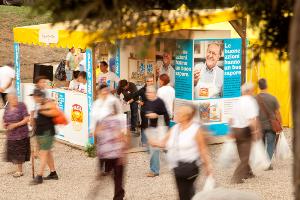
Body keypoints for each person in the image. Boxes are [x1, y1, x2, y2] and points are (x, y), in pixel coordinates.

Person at [149, 104, 213, 200]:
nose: (176, 114)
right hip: (177, 167)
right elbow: (164, 143)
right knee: (185, 192)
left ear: (186, 116)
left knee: (184, 193)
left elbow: (203, 149)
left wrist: (208, 167)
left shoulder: (195, 130)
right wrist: (154, 142)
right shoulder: (175, 128)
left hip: (190, 167)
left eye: (179, 113)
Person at [93, 97, 128, 200]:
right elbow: (96, 134)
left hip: (115, 153)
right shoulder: (102, 121)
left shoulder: (120, 120)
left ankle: (119, 196)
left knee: (117, 177)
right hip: (107, 153)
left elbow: (125, 136)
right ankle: (119, 193)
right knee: (116, 176)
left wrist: (124, 152)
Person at [230, 83, 261, 184]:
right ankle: (236, 178)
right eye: (252, 90)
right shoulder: (250, 101)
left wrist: (230, 131)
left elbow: (231, 118)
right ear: (249, 91)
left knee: (241, 152)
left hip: (235, 129)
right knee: (245, 156)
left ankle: (248, 172)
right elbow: (252, 119)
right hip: (245, 130)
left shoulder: (237, 101)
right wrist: (255, 131)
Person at [30, 89, 58, 185]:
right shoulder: (38, 105)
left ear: (39, 96)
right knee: (48, 152)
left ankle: (39, 176)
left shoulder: (49, 103)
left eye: (35, 97)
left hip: (48, 132)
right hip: (40, 131)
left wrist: (42, 110)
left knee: (43, 153)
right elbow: (35, 119)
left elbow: (54, 113)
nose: (33, 98)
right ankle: (53, 173)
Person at [256, 78, 282, 170]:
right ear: (266, 86)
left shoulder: (255, 98)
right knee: (270, 144)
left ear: (259, 87)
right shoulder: (272, 98)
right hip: (271, 126)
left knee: (261, 144)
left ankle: (262, 162)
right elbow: (277, 113)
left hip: (260, 126)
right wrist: (280, 123)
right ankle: (267, 164)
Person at [144, 86, 170, 177]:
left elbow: (165, 115)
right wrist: (149, 115)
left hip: (160, 127)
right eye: (147, 92)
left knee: (154, 148)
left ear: (154, 93)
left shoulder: (160, 102)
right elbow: (146, 112)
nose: (148, 94)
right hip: (152, 127)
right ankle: (156, 167)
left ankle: (154, 170)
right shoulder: (148, 102)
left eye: (150, 92)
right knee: (151, 148)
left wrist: (157, 115)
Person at [3, 93, 30, 177]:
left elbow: (27, 119)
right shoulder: (7, 107)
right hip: (11, 134)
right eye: (12, 99)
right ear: (8, 100)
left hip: (21, 133)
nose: (15, 100)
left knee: (19, 151)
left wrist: (16, 125)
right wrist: (5, 124)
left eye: (15, 98)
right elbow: (4, 118)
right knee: (12, 151)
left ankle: (19, 170)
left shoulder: (22, 105)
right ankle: (15, 168)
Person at [131, 75, 155, 146]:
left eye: (151, 81)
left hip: (153, 110)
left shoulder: (155, 89)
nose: (150, 82)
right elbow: (133, 96)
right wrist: (139, 102)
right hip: (144, 110)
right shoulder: (142, 90)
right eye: (148, 81)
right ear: (145, 82)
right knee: (145, 126)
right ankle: (144, 141)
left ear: (153, 81)